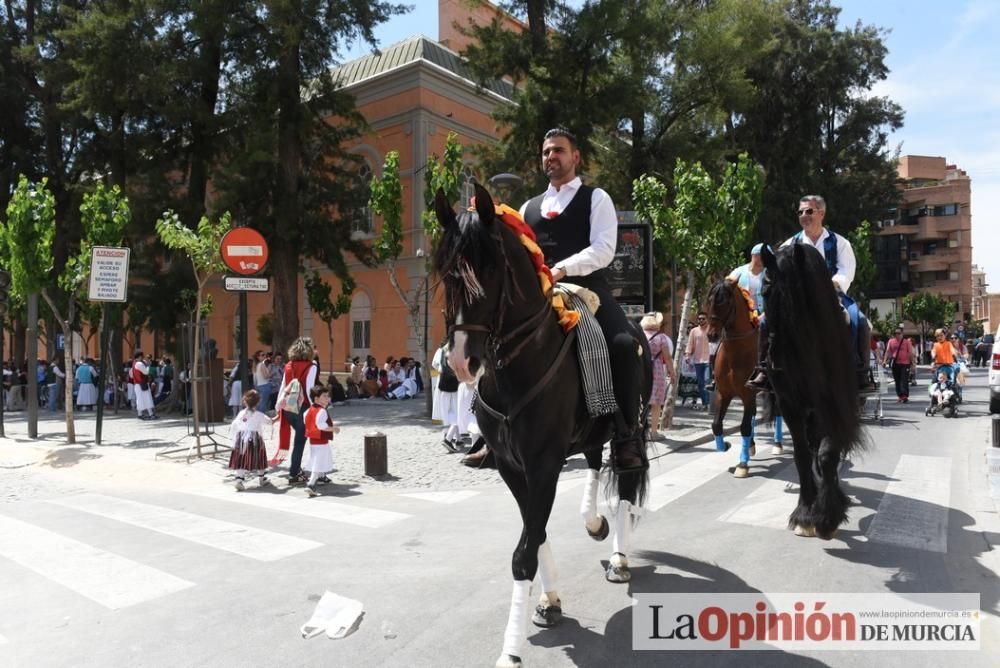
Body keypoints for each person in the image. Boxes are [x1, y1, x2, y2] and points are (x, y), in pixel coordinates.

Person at [518, 127, 646, 471]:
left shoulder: (596, 198)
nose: (551, 157)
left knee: (621, 343)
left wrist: (560, 269)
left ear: (575, 157)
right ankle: (491, 429)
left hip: (588, 290)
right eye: (546, 151)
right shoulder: (527, 208)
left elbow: (604, 249)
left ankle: (626, 435)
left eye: (558, 150)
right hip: (542, 295)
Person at [748, 195, 873, 391]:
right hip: (796, 299)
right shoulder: (789, 245)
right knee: (765, 322)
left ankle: (860, 371)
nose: (804, 215)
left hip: (831, 296)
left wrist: (830, 284)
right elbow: (778, 274)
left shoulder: (840, 243)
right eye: (800, 212)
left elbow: (846, 271)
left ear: (821, 213)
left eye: (809, 211)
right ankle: (764, 368)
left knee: (860, 321)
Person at [274, 337, 319, 484]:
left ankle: (296, 469)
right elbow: (309, 388)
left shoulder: (288, 365)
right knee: (300, 442)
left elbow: (283, 386)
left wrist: (277, 406)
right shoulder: (311, 366)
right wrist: (315, 408)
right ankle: (294, 473)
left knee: (298, 440)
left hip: (288, 407)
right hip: (303, 407)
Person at [641, 312, 676, 440]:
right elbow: (667, 358)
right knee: (656, 403)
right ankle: (654, 432)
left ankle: (639, 431)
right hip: (656, 370)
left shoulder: (640, 335)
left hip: (641, 369)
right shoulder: (661, 337)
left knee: (641, 402)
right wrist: (672, 373)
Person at [227, 389, 272, 491]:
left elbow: (235, 424)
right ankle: (262, 478)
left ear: (245, 401)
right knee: (259, 457)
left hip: (241, 439)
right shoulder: (259, 414)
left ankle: (239, 480)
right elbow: (270, 421)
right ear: (258, 402)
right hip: (255, 439)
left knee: (241, 459)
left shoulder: (241, 413)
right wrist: (279, 416)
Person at [303, 385, 339, 497]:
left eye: (327, 396)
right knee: (319, 461)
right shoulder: (322, 411)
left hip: (313, 441)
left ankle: (321, 477)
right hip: (321, 440)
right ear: (316, 399)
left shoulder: (308, 410)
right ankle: (311, 483)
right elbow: (321, 426)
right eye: (324, 396)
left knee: (317, 459)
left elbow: (306, 422)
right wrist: (334, 429)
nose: (327, 398)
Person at [432, 342, 461, 451]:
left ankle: (456, 438)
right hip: (454, 384)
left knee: (446, 412)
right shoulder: (457, 350)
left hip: (443, 382)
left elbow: (434, 364)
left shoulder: (441, 350)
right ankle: (449, 438)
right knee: (457, 413)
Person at [685, 311, 711, 411]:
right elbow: (690, 344)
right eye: (699, 319)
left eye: (703, 318)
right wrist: (688, 355)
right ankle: (705, 403)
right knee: (700, 383)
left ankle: (708, 403)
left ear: (707, 319)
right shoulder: (694, 331)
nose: (701, 320)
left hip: (708, 360)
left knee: (707, 381)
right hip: (697, 360)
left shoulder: (711, 329)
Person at [882, 327, 913, 403]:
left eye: (899, 333)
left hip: (905, 363)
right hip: (895, 364)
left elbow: (910, 353)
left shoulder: (907, 342)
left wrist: (912, 363)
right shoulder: (891, 341)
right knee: (897, 380)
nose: (897, 335)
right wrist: (884, 361)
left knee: (904, 379)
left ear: (902, 334)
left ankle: (904, 396)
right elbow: (888, 351)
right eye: (895, 333)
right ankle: (900, 395)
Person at [131, 352, 157, 419]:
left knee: (140, 399)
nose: (142, 358)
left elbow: (131, 375)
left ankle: (140, 414)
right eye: (142, 357)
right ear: (139, 356)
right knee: (147, 398)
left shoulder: (134, 363)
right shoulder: (139, 363)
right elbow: (146, 372)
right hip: (142, 383)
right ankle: (151, 414)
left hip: (137, 384)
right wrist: (148, 365)